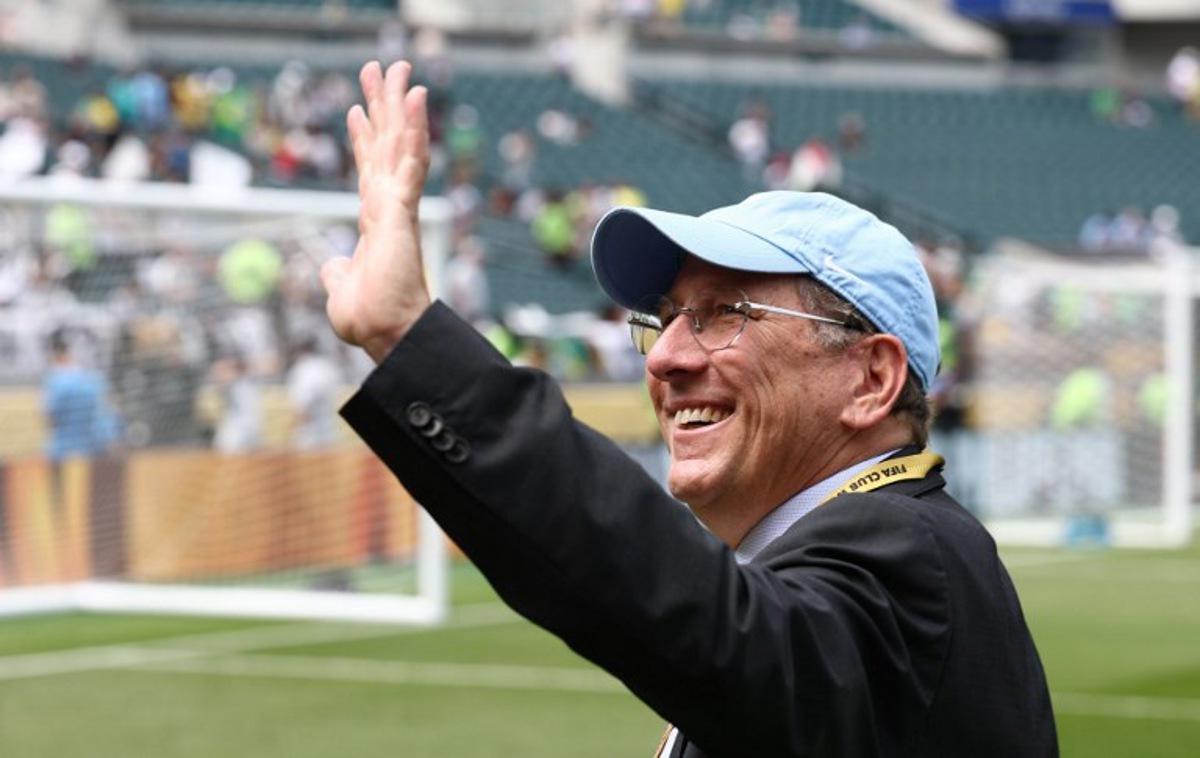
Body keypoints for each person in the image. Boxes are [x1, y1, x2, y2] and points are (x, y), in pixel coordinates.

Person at [322, 61, 1057, 757]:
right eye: (665, 318)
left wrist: (411, 339)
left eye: (721, 314)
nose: (667, 357)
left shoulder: (909, 559)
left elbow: (706, 622)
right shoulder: (864, 554)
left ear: (871, 378)